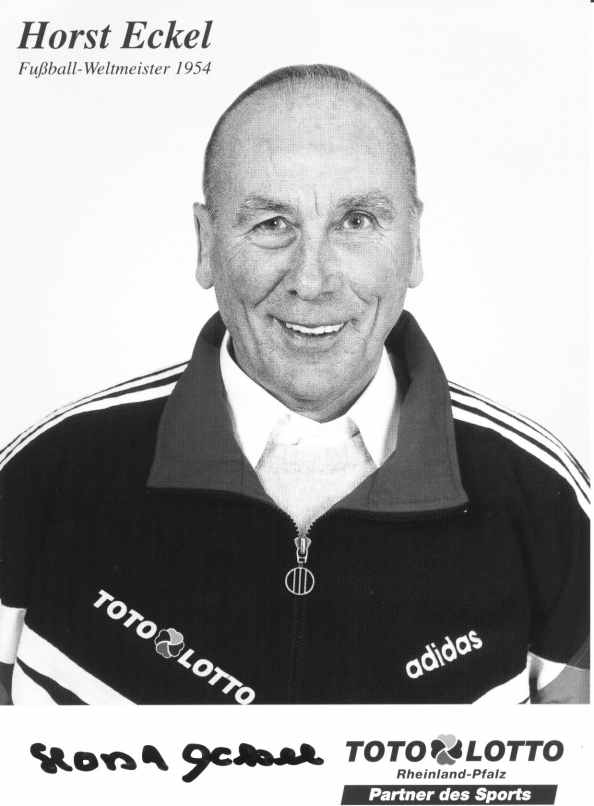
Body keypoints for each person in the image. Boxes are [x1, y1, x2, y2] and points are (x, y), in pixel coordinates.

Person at [0, 65, 588, 705]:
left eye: (357, 221)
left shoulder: (545, 495)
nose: (312, 281)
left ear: (414, 243)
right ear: (206, 244)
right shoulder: (43, 474)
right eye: (272, 224)